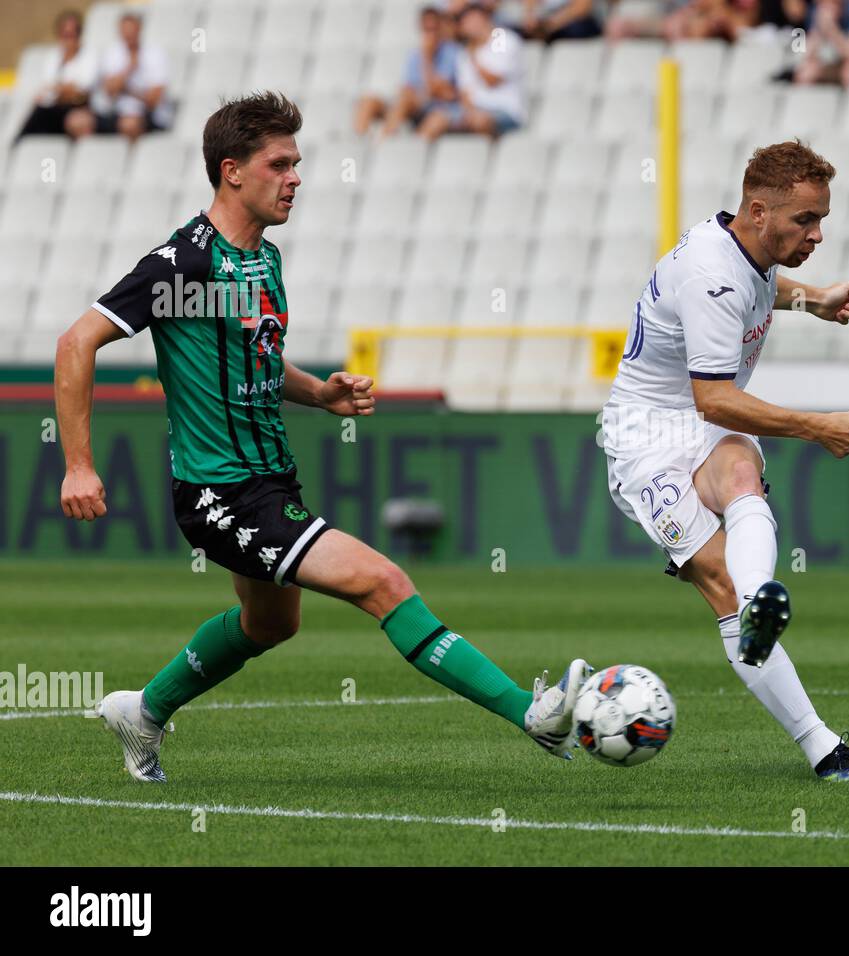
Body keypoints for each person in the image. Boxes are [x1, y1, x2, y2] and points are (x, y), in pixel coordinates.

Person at [54, 92, 585, 782]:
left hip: (270, 478)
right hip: (222, 492)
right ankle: (532, 713)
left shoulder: (263, 263)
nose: (296, 177)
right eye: (280, 164)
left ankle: (143, 712)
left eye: (298, 163)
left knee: (272, 624)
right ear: (231, 171)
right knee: (384, 582)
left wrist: (317, 394)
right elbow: (76, 342)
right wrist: (78, 466)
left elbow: (253, 361)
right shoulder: (182, 263)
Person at [602, 141, 849, 782]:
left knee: (741, 479)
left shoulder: (740, 243)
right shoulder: (711, 272)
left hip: (698, 423)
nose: (817, 233)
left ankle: (763, 603)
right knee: (722, 584)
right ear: (759, 210)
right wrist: (819, 427)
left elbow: (758, 284)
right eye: (805, 221)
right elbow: (715, 400)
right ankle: (823, 746)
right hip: (646, 438)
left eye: (820, 219)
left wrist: (812, 298)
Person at [419, 3, 526, 140]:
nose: (469, 26)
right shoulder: (465, 52)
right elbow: (465, 94)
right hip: (476, 111)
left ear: (484, 19)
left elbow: (492, 80)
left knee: (480, 121)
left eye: (472, 20)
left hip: (505, 111)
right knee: (436, 119)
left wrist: (474, 58)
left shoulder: (502, 39)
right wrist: (469, 112)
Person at [354, 6, 462, 139]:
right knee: (368, 101)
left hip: (435, 108)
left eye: (434, 29)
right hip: (413, 105)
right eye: (426, 29)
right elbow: (408, 86)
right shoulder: (414, 55)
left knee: (406, 101)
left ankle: (385, 140)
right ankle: (359, 141)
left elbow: (439, 90)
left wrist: (427, 59)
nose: (430, 35)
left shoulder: (452, 53)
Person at [70, 11, 173, 141]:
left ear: (139, 29)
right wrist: (129, 69)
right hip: (115, 113)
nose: (128, 35)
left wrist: (125, 89)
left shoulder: (156, 54)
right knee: (77, 121)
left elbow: (153, 100)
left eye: (131, 31)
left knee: (129, 124)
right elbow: (110, 90)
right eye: (125, 31)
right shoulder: (112, 53)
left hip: (148, 116)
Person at [14, 9, 96, 140]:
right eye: (65, 34)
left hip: (76, 109)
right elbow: (48, 91)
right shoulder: (53, 57)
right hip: (54, 109)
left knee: (77, 122)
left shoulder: (89, 56)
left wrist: (61, 90)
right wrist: (66, 90)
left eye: (72, 34)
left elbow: (82, 91)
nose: (68, 39)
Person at [792, 0, 849, 86]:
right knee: (806, 73)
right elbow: (804, 55)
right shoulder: (814, 12)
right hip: (825, 64)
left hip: (846, 64)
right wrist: (818, 30)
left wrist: (831, 29)